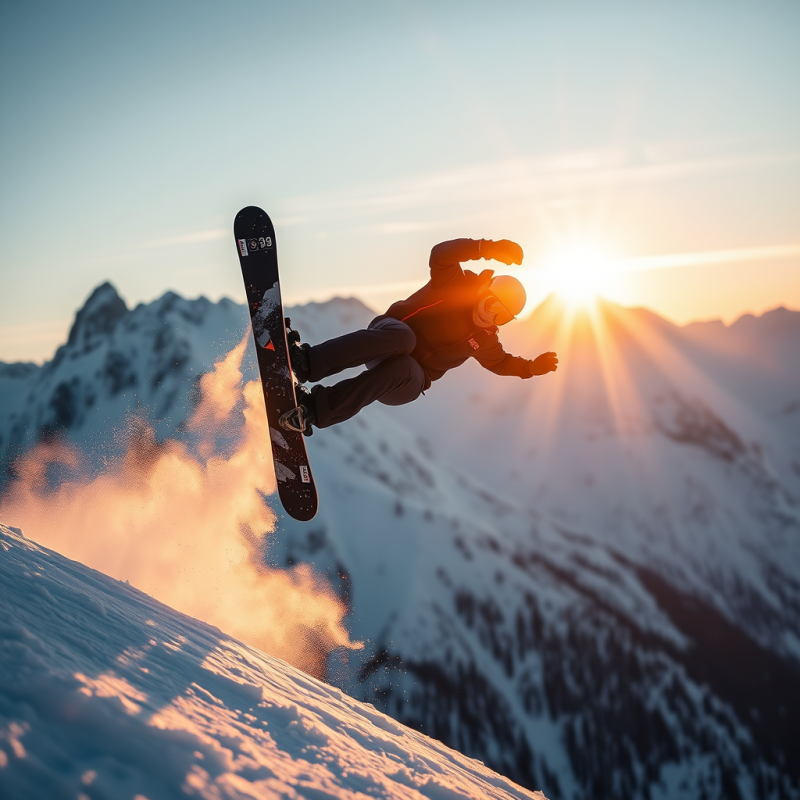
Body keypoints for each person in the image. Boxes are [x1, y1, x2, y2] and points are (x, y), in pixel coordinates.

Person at [280, 238, 558, 434]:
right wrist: (487, 248)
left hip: (404, 380)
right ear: (484, 291)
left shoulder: (484, 339)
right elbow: (441, 253)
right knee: (405, 340)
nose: (490, 316)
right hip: (388, 338)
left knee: (409, 367)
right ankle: (307, 362)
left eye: (501, 316)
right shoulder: (454, 285)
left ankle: (311, 411)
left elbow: (500, 363)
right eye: (490, 304)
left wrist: (530, 368)